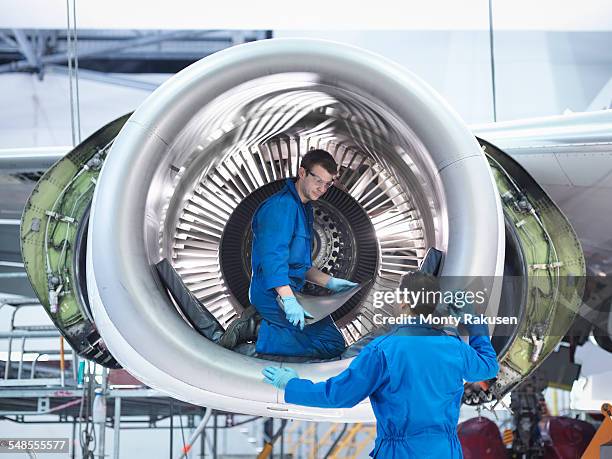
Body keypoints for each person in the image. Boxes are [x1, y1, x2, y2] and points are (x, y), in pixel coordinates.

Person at [262, 287, 499, 458]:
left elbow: (338, 396)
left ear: (405, 304)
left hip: (401, 452)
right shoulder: (454, 348)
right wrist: (472, 318)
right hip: (444, 451)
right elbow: (489, 365)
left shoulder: (381, 350)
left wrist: (292, 385)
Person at [249, 149, 357, 359]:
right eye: (318, 180)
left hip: (293, 293)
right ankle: (258, 332)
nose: (322, 188)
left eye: (328, 184)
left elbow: (300, 266)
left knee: (333, 341)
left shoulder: (303, 208)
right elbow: (273, 261)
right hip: (272, 294)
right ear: (302, 173)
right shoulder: (281, 206)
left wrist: (331, 282)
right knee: (331, 344)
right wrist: (289, 301)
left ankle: (273, 332)